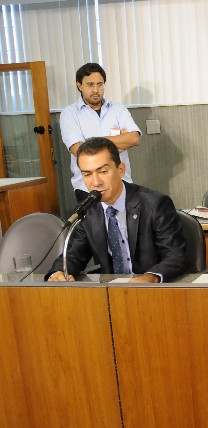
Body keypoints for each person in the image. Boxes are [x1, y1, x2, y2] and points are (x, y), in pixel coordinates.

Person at [47, 137, 187, 283]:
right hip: (110, 291)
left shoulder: (155, 204)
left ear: (121, 170)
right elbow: (73, 255)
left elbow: (175, 256)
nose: (96, 182)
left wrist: (151, 277)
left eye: (103, 171)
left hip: (150, 290)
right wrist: (58, 272)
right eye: (87, 174)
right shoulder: (88, 210)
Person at [60, 63, 141, 200]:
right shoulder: (69, 114)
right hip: (88, 188)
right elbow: (79, 151)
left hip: (122, 184)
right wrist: (118, 143)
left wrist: (91, 143)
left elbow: (134, 138)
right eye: (90, 85)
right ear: (79, 85)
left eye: (100, 84)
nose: (96, 90)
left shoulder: (117, 109)